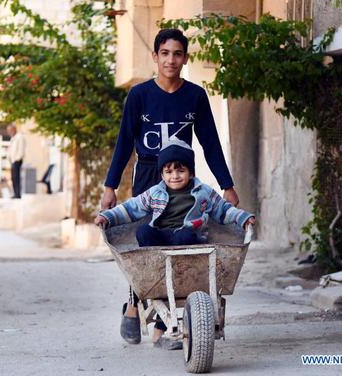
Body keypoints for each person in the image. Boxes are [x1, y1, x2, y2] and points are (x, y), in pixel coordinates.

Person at [100, 29, 241, 347]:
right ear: (155, 56)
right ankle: (135, 306)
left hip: (181, 180)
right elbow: (124, 144)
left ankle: (165, 324)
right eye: (164, 53)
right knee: (145, 245)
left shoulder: (195, 96)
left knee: (179, 246)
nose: (170, 60)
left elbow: (210, 144)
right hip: (149, 175)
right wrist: (110, 187)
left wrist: (226, 186)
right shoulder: (139, 96)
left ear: (185, 58)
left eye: (177, 53)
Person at [96, 140, 255, 349]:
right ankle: (147, 284)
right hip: (161, 241)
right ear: (162, 174)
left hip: (186, 240)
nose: (175, 176)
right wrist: (107, 217)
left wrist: (243, 218)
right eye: (169, 172)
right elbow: (131, 208)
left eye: (180, 170)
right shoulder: (155, 192)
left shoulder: (203, 192)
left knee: (184, 237)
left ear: (190, 172)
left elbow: (224, 210)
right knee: (143, 231)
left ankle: (169, 317)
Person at [7, 124, 25, 198]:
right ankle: (15, 193)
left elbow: (21, 149)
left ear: (14, 129)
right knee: (13, 178)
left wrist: (17, 158)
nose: (9, 132)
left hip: (17, 160)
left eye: (10, 130)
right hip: (13, 161)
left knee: (16, 177)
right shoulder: (13, 138)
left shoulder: (19, 137)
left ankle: (17, 194)